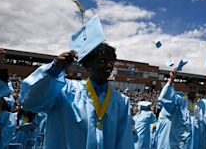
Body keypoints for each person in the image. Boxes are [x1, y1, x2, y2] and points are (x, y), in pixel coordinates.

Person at [19, 15, 134, 148]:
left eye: (111, 61)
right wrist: (54, 69)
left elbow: (124, 142)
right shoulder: (64, 91)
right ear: (87, 65)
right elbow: (29, 101)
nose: (109, 66)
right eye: (102, 61)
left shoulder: (120, 101)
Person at [156, 68, 206, 149]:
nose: (192, 90)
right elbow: (165, 98)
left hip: (198, 144)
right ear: (185, 88)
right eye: (190, 87)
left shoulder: (204, 105)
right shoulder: (179, 102)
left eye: (195, 88)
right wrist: (171, 80)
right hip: (180, 144)